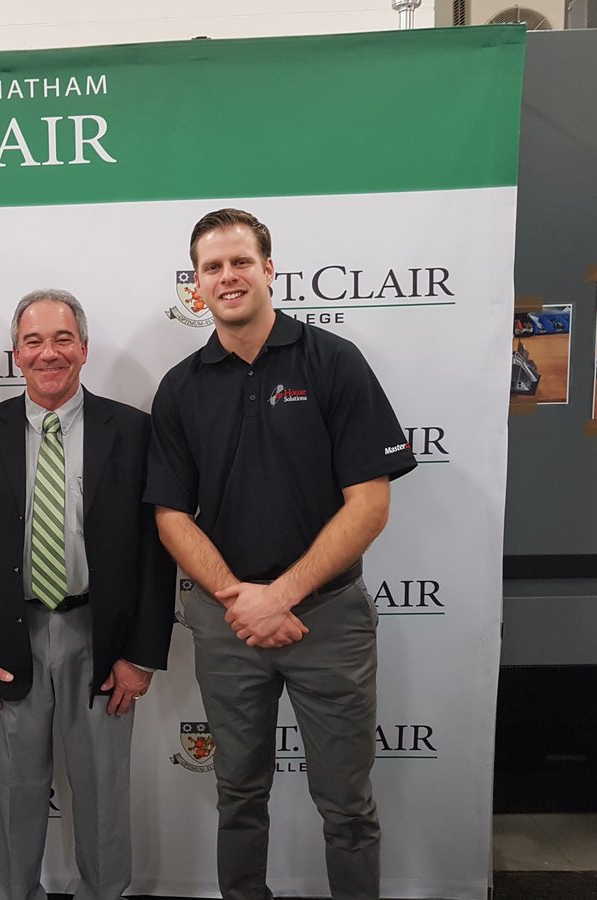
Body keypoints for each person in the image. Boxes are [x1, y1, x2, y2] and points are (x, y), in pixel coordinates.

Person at [145, 209, 417, 900]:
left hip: (327, 619)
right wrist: (244, 600)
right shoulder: (180, 387)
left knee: (346, 806)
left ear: (270, 269)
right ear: (196, 284)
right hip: (228, 624)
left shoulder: (333, 362)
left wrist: (282, 594)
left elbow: (370, 503)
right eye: (212, 267)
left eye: (241, 262)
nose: (227, 276)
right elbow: (171, 517)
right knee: (238, 794)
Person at [0, 289, 175, 900]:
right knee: (15, 791)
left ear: (85, 349)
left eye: (63, 339)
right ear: (16, 353)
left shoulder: (134, 431)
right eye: (35, 341)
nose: (50, 353)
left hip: (102, 638)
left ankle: (106, 893)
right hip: (5, 640)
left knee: (102, 789)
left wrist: (141, 655)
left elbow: (156, 553)